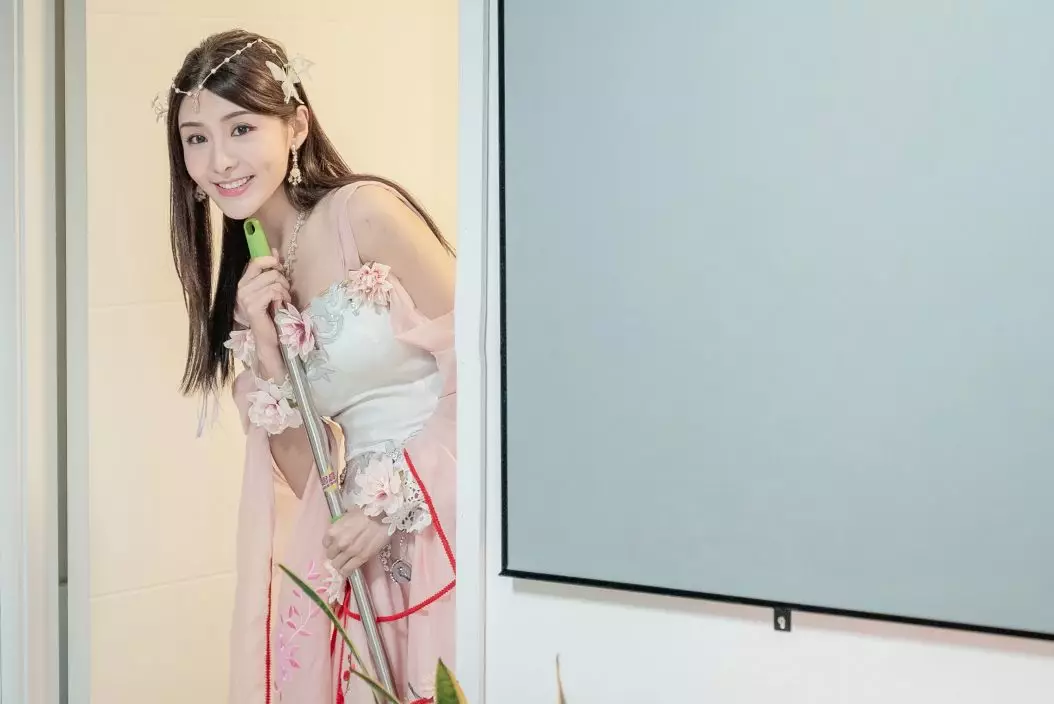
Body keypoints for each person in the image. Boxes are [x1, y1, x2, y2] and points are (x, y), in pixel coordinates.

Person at [157, 29, 457, 704]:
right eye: (196, 138)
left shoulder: (364, 214)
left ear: (295, 126)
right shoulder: (253, 286)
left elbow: (497, 369)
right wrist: (265, 349)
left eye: (241, 128)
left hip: (448, 514)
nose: (218, 160)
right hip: (367, 553)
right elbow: (308, 478)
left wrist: (394, 496)